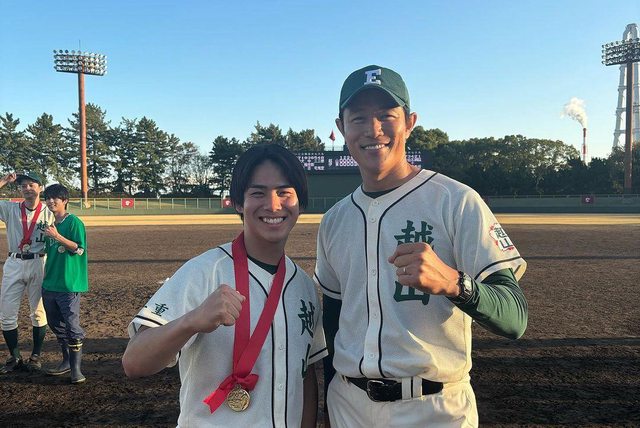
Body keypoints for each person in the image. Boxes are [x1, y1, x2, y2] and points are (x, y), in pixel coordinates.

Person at [315, 65, 529, 428]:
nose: (373, 129)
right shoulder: (334, 220)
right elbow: (333, 322)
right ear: (341, 127)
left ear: (410, 122)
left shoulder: (456, 201)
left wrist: (455, 283)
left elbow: (515, 317)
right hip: (348, 407)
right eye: (359, 118)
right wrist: (328, 406)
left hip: (435, 410)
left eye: (386, 115)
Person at [122, 144, 327, 427]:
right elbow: (134, 362)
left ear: (300, 204)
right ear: (239, 203)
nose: (272, 205)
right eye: (258, 193)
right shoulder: (204, 271)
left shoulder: (304, 287)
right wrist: (191, 321)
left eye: (284, 192)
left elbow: (304, 376)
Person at [0, 171, 54, 374]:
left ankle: (35, 356)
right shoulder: (10, 208)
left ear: (40, 188)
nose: (27, 188)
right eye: (23, 186)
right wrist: (4, 181)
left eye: (32, 184)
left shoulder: (49, 212)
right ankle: (14, 356)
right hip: (14, 262)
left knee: (38, 312)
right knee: (6, 314)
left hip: (39, 262)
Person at [41, 183, 89, 384]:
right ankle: (67, 361)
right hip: (49, 283)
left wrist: (58, 237)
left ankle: (76, 370)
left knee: (71, 325)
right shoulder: (50, 225)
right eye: (48, 198)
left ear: (65, 201)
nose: (51, 201)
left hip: (68, 284)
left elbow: (79, 249)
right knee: (55, 324)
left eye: (55, 198)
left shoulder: (74, 222)